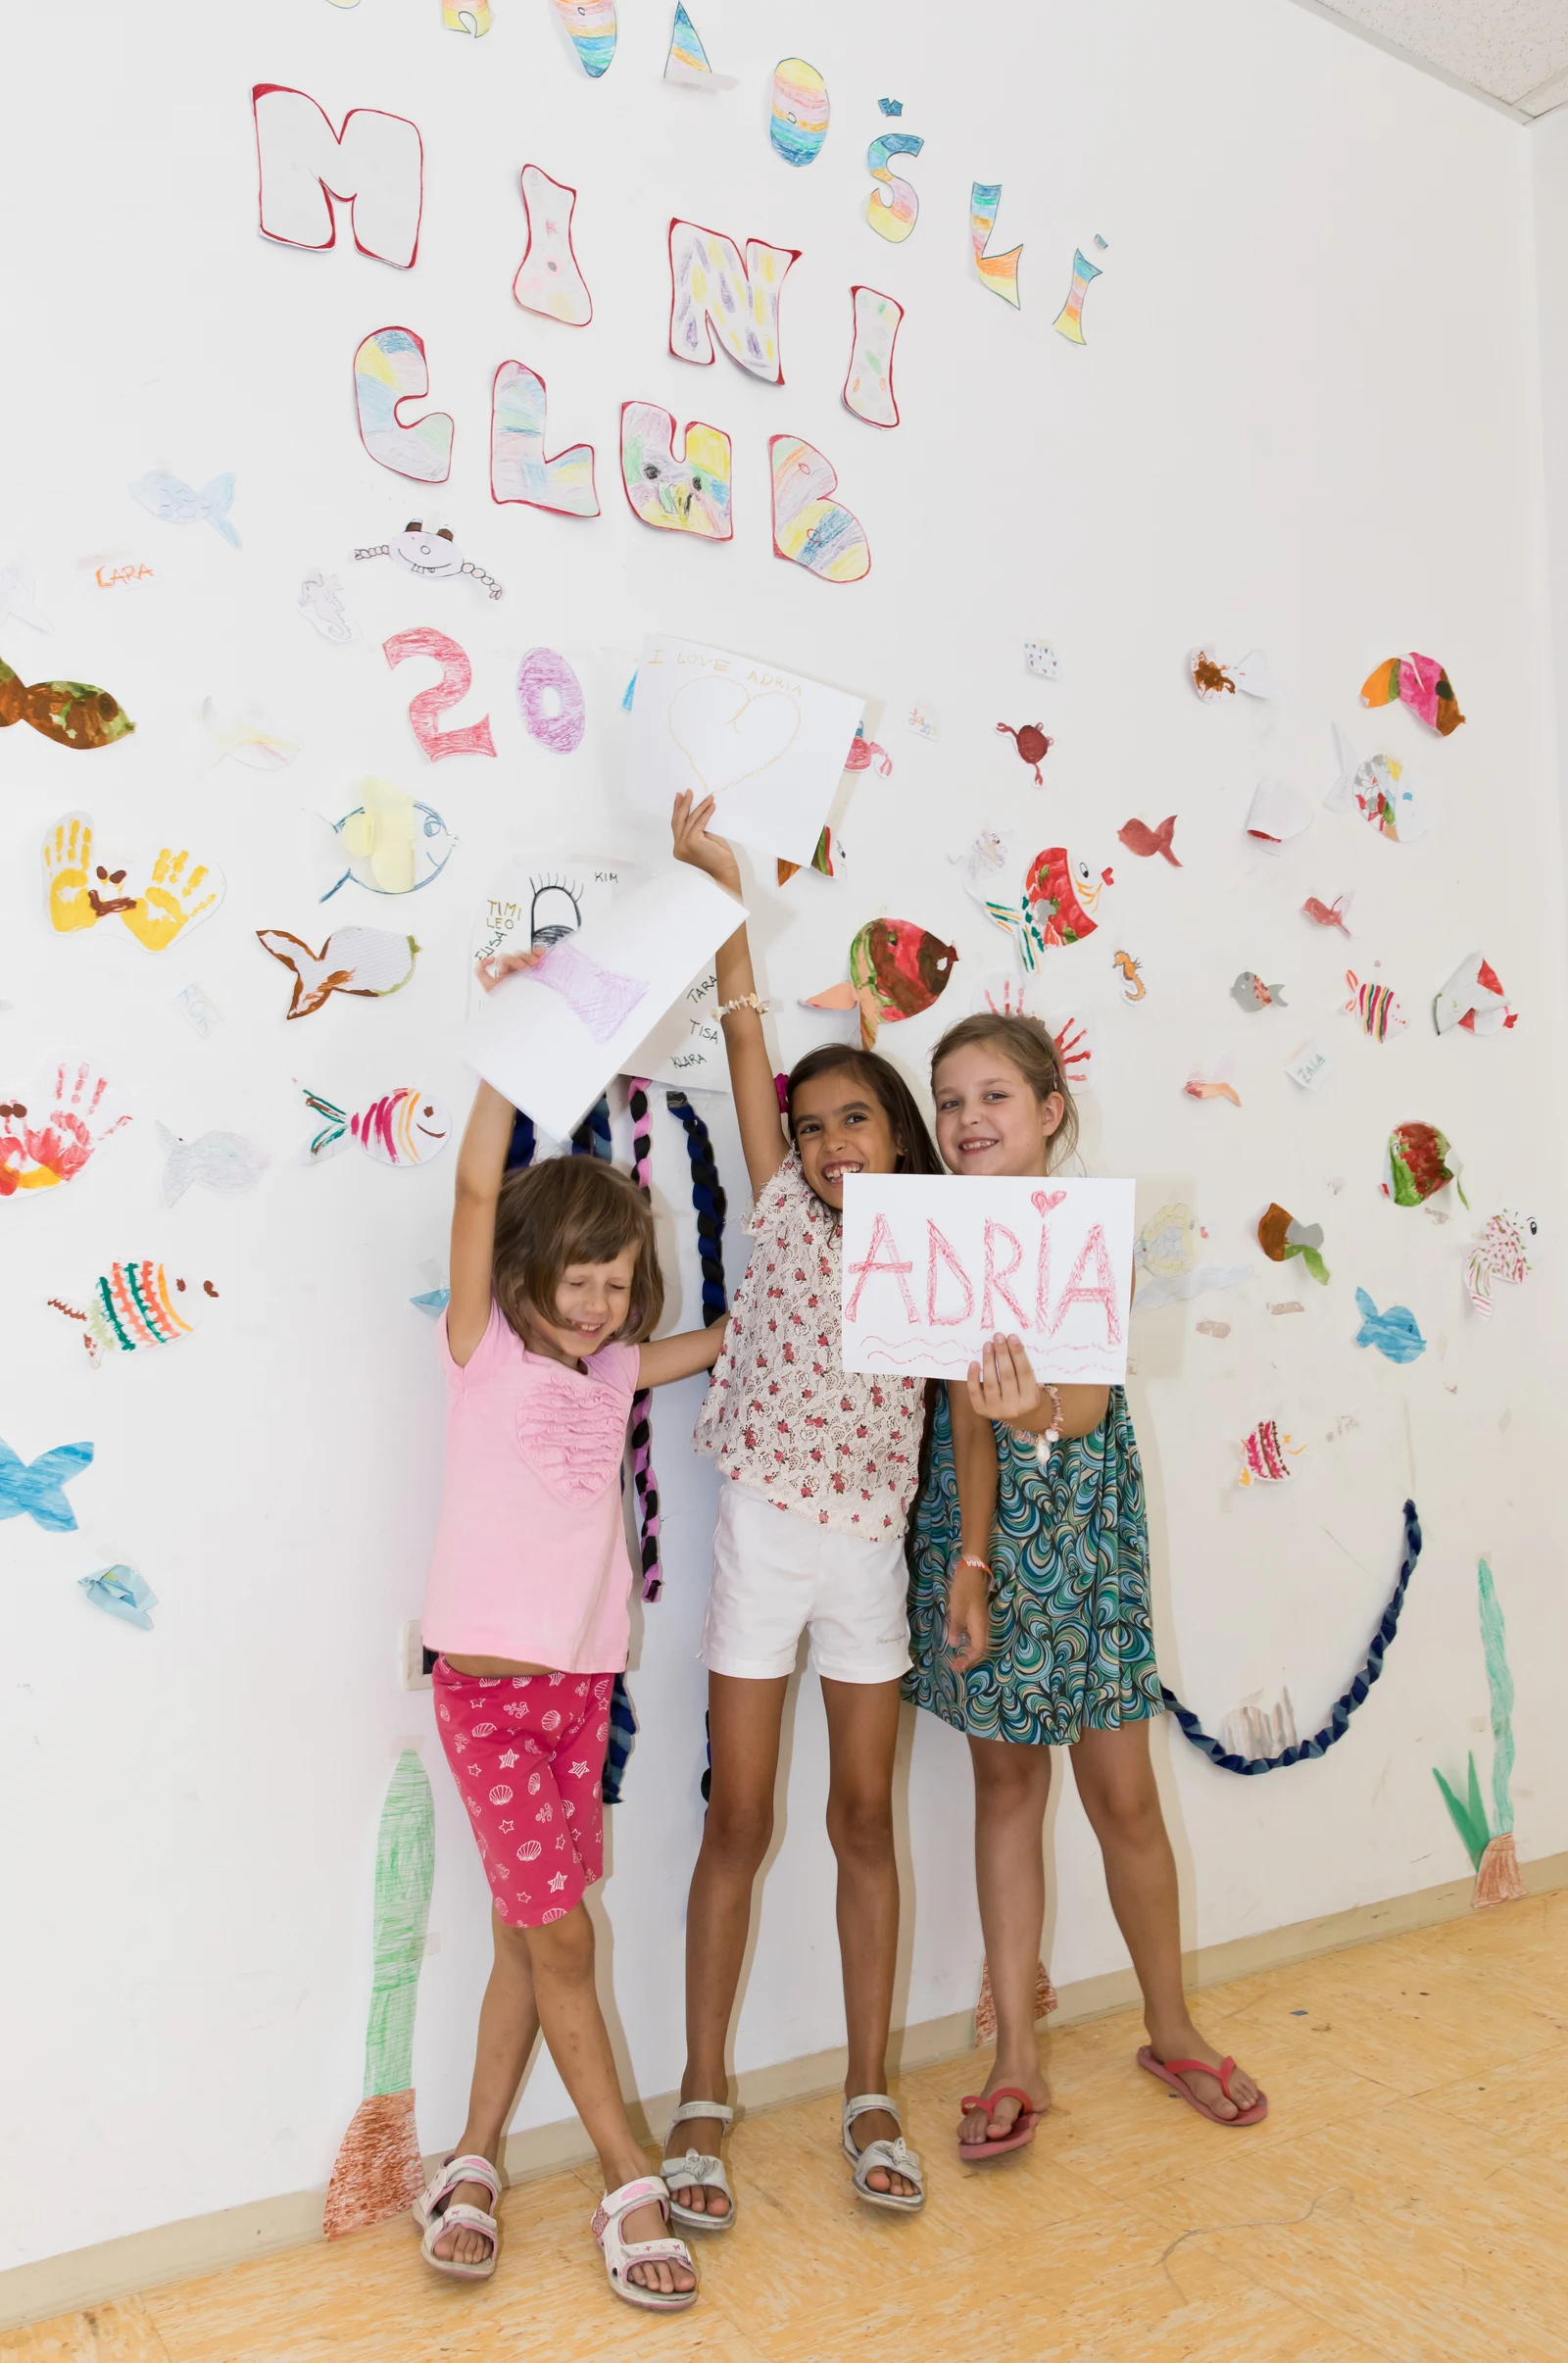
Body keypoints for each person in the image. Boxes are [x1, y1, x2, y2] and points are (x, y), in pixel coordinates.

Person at [415, 951, 730, 2312]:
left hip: (580, 1697)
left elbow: (714, 1341)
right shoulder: (480, 1349)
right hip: (487, 1701)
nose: (599, 1302)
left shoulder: (612, 1372)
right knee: (562, 1942)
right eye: (578, 1278)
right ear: (521, 1272)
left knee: (523, 1935)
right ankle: (626, 2173)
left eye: (617, 1279)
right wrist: (515, 1043)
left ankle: (472, 2156)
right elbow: (475, 1189)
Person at [906, 1010, 1267, 2157]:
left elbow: (1090, 1403)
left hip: (1088, 1529)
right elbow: (961, 1420)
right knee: (1006, 1788)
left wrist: (1036, 1408)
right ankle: (1015, 2050)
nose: (968, 1117)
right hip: (980, 1538)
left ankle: (1171, 2026)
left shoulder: (1089, 1232)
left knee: (1123, 1794)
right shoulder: (927, 1239)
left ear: (1049, 1110)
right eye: (949, 1098)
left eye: (993, 1095)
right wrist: (971, 1564)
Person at [663, 791, 943, 2230]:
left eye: (858, 1119)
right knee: (741, 1811)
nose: (833, 1140)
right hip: (764, 1539)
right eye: (814, 1122)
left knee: (863, 1816)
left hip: (872, 1553)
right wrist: (719, 884)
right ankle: (703, 2089)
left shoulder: (937, 1250)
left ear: (899, 1136)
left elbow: (986, 1414)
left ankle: (869, 2086)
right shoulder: (776, 1201)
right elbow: (743, 1032)